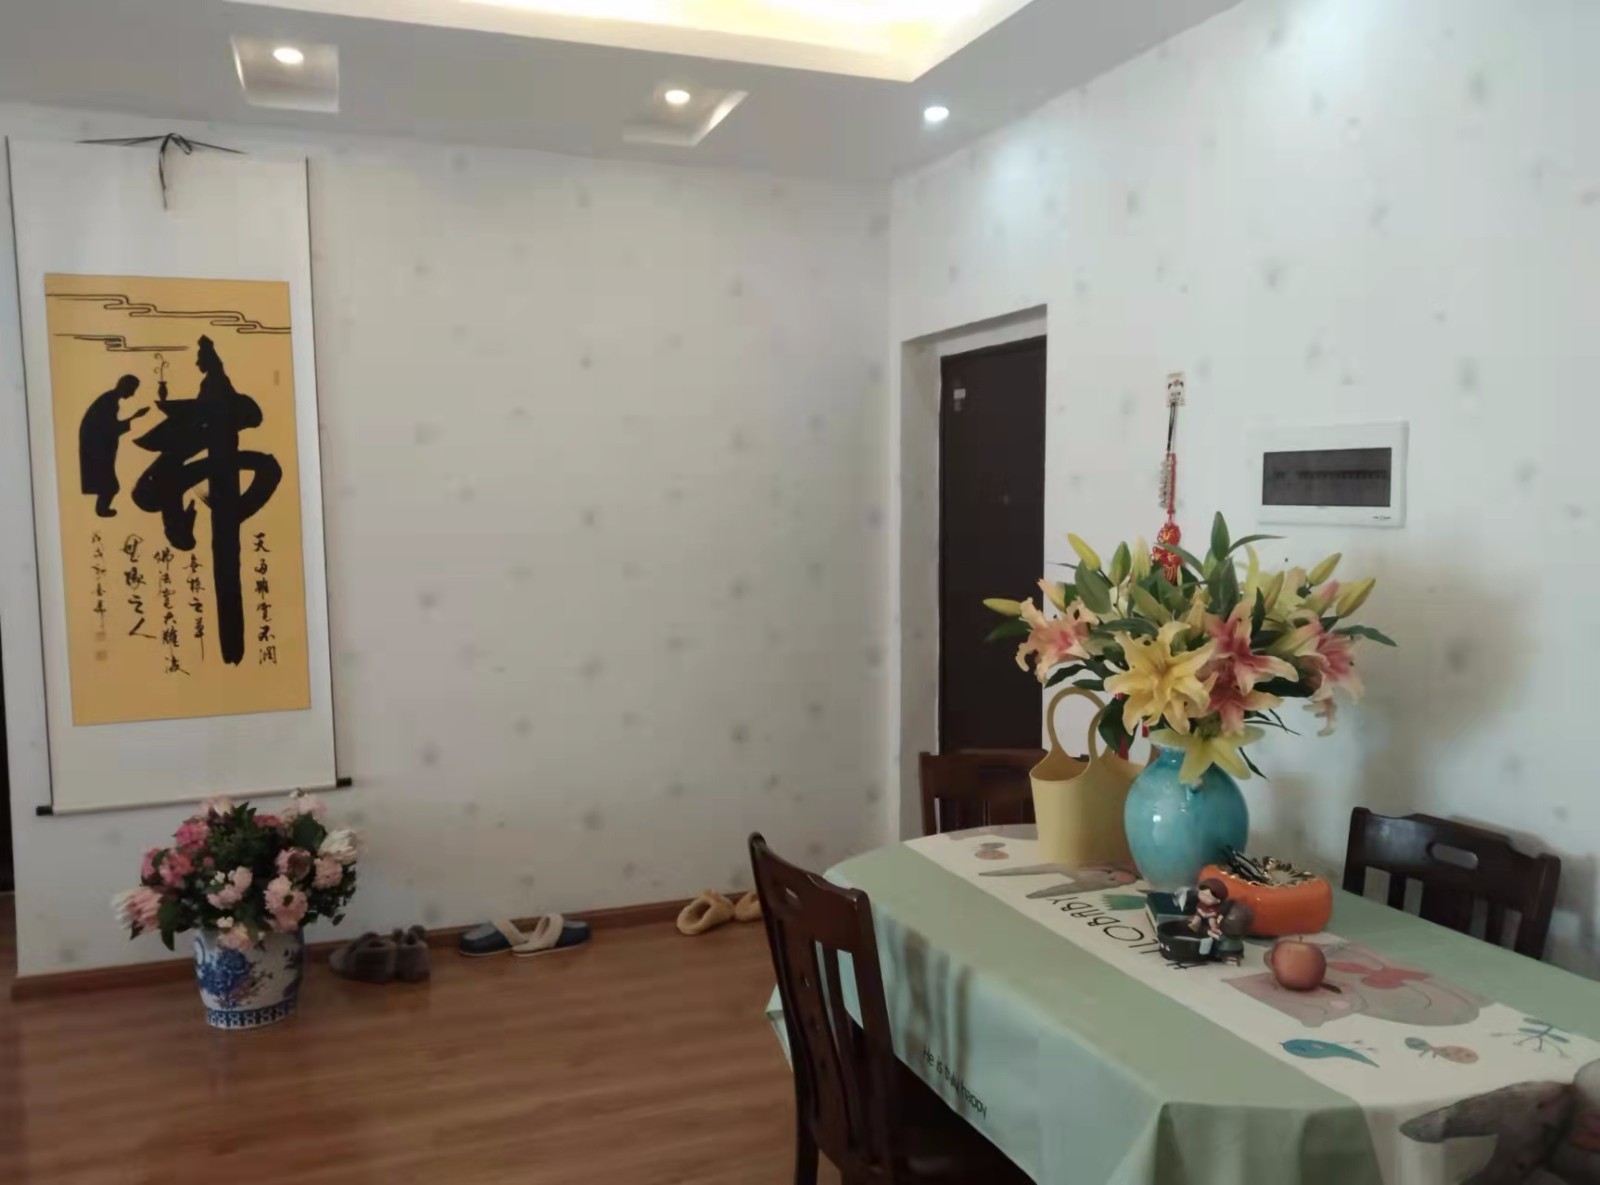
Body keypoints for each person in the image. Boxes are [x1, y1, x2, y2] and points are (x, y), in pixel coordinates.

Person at [77, 375, 149, 517]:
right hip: (96, 448)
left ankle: (102, 509)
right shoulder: (109, 402)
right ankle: (102, 510)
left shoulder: (109, 400)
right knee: (109, 485)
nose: (132, 394)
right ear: (125, 386)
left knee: (108, 484)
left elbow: (110, 428)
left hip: (98, 446)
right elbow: (110, 429)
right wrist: (133, 418)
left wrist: (133, 418)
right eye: (132, 390)